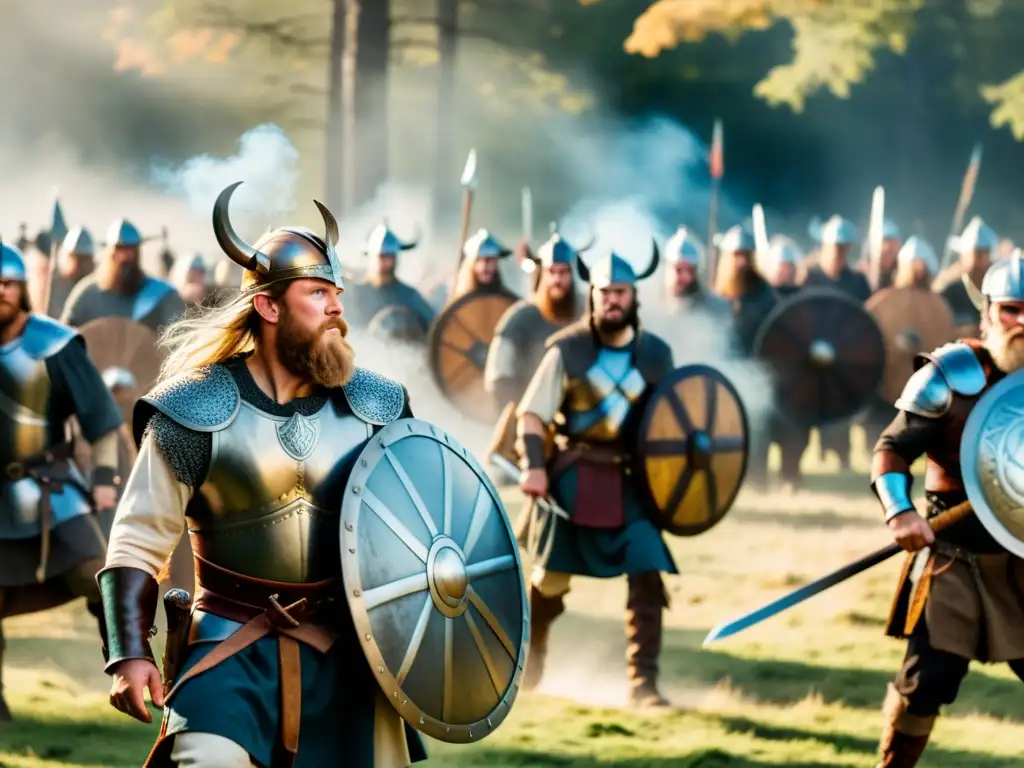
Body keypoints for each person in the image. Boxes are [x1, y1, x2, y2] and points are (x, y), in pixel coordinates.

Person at [98, 183, 426, 767]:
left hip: (352, 656)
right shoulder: (195, 411)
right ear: (269, 307)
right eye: (318, 292)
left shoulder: (377, 408)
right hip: (228, 650)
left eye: (337, 293)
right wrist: (129, 651)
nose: (337, 308)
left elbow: (419, 540)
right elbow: (136, 538)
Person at [869, 252, 1024, 767]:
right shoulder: (951, 374)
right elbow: (892, 451)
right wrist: (900, 513)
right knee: (927, 682)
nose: (1022, 322)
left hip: (1022, 559)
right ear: (987, 312)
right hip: (953, 557)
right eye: (1011, 310)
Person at [515, 240, 677, 708]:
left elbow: (676, 419)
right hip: (572, 479)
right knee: (548, 583)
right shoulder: (565, 351)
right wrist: (535, 468)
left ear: (634, 297)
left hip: (630, 482)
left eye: (621, 292)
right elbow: (532, 416)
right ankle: (532, 657)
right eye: (605, 291)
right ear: (593, 295)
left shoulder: (657, 355)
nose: (612, 300)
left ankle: (644, 684)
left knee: (648, 570)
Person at [0, 240, 123, 721]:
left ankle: (132, 667)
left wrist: (105, 478)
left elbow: (102, 420)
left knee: (98, 576)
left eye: (7, 283)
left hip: (50, 487)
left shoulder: (54, 343)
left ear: (22, 288)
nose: (0, 292)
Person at [484, 228, 584, 408]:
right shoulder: (520, 317)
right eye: (551, 272)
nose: (557, 279)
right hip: (531, 411)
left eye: (563, 272)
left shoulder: (587, 314)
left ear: (571, 274)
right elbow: (498, 374)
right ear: (542, 273)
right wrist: (518, 412)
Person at [61, 219, 185, 332]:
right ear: (109, 252)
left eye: (130, 250)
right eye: (119, 249)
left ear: (137, 253)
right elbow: (63, 337)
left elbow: (178, 341)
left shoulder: (162, 296)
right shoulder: (87, 293)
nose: (124, 257)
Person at [345, 224, 435, 340]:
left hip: (404, 356)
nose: (384, 262)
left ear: (395, 258)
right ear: (370, 256)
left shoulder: (409, 296)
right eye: (380, 256)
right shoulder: (353, 294)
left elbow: (435, 327)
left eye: (389, 256)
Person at [932, 216, 997, 337]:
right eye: (976, 254)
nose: (979, 261)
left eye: (984, 254)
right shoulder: (950, 290)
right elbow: (935, 326)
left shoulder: (999, 289)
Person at [663, 226, 731, 318]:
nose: (685, 276)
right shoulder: (648, 300)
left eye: (690, 270)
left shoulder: (713, 310)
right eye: (679, 270)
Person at [450, 229, 517, 301]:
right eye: (479, 260)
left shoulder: (506, 300)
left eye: (490, 259)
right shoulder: (460, 301)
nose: (485, 265)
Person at [45, 226, 96, 317]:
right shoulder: (57, 285)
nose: (81, 265)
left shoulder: (96, 286)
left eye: (84, 259)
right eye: (77, 259)